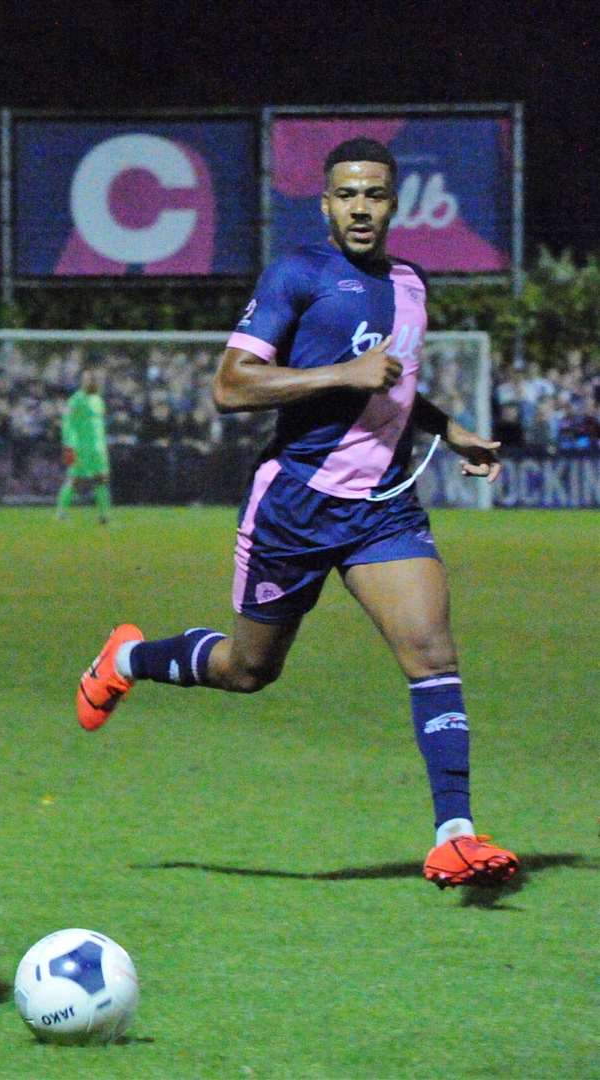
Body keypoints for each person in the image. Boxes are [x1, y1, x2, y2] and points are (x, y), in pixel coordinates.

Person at [76, 138, 518, 890]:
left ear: (393, 202)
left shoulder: (412, 282)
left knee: (433, 657)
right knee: (248, 670)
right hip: (295, 506)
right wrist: (341, 371)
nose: (360, 208)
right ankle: (127, 659)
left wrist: (449, 429)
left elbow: (395, 388)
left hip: (382, 508)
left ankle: (455, 835)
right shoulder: (299, 275)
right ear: (325, 203)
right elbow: (231, 385)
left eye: (374, 194)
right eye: (346, 194)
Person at [55, 367, 112, 524]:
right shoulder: (75, 399)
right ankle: (61, 513)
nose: (91, 382)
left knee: (102, 478)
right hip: (80, 447)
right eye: (88, 379)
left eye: (94, 379)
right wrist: (69, 445)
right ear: (82, 381)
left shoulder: (98, 400)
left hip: (98, 448)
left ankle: (104, 516)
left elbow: (99, 426)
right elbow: (67, 423)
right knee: (75, 479)